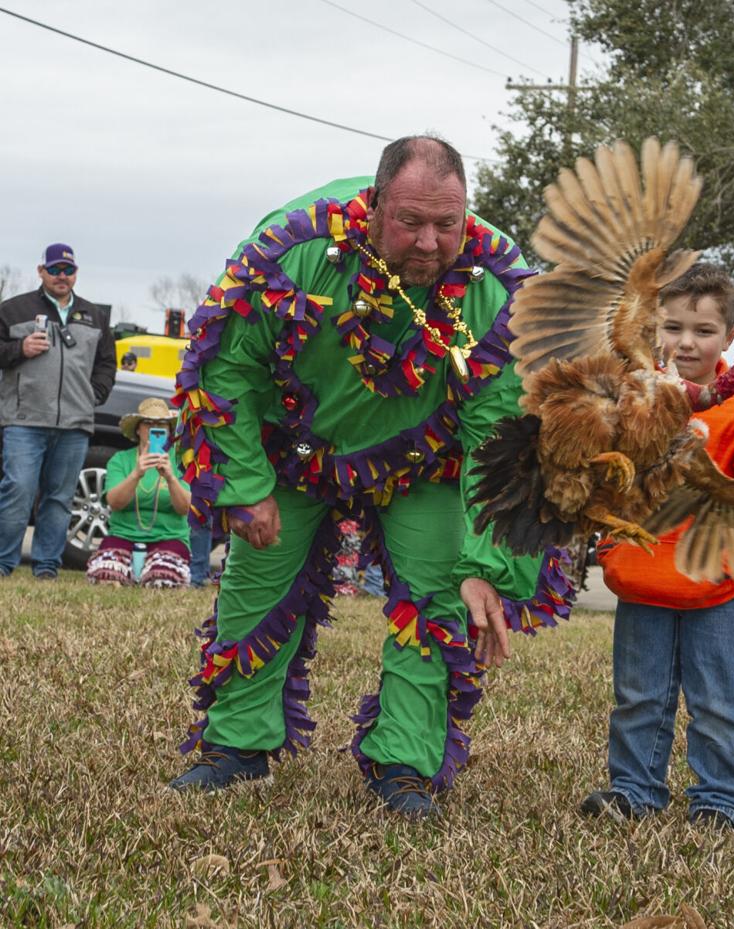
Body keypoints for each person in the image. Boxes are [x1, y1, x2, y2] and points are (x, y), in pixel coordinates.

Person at [166, 135, 572, 818]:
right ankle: (236, 745)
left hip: (424, 460)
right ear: (375, 204)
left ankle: (404, 764)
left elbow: (502, 436)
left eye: (446, 223)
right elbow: (226, 362)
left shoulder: (498, 289)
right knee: (256, 584)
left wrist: (488, 567)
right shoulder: (293, 250)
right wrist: (245, 484)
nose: (429, 242)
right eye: (410, 221)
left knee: (439, 596)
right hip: (295, 448)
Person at [580, 264, 734, 829]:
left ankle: (721, 796)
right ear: (652, 329)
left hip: (714, 590)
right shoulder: (630, 400)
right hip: (642, 579)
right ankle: (634, 789)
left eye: (703, 330)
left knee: (717, 699)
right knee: (638, 695)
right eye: (673, 327)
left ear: (729, 337)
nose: (686, 342)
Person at [0, 244, 116, 580]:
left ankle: (47, 567)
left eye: (68, 270)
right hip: (24, 421)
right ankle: (4, 564)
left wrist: (94, 395)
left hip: (75, 424)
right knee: (18, 490)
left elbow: (107, 363)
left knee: (60, 497)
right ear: (41, 271)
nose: (61, 276)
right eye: (54, 269)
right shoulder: (13, 310)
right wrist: (19, 348)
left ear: (76, 273)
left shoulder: (94, 316)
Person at [86, 398, 192, 587]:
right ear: (138, 429)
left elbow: (185, 508)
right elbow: (114, 503)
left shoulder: (180, 462)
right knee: (106, 577)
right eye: (148, 423)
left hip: (169, 537)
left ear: (169, 431)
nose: (154, 429)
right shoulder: (121, 460)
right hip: (123, 535)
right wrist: (136, 474)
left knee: (162, 581)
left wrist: (171, 478)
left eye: (161, 424)